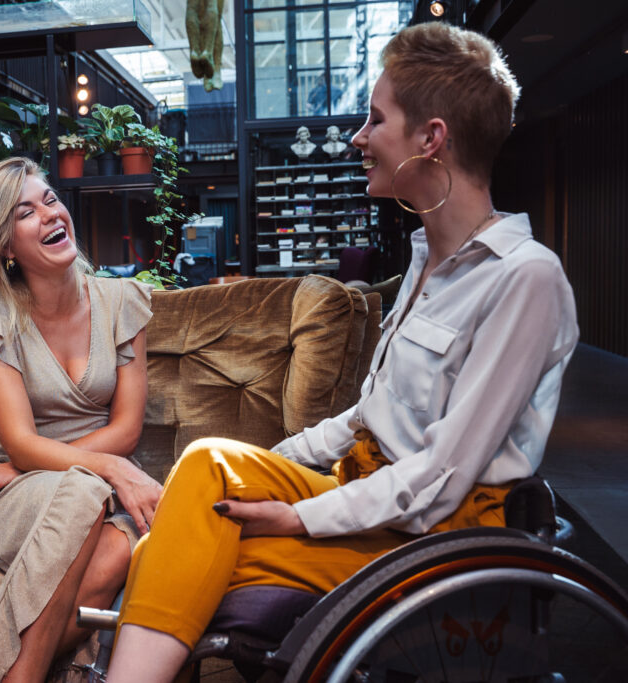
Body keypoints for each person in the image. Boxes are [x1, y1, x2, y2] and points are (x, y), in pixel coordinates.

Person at [105, 22, 579, 682]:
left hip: (434, 541)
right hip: (368, 493)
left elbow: (441, 475)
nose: (358, 136)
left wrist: (298, 516)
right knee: (207, 462)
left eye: (375, 119)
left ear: (431, 138)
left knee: (181, 551)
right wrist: (263, 473)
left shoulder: (525, 278)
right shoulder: (426, 262)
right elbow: (365, 418)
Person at [0, 157, 162, 683]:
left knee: (116, 552)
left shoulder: (124, 302)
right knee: (81, 492)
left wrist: (78, 467)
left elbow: (127, 430)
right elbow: (20, 441)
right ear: (6, 246)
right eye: (24, 212)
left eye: (50, 200)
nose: (50, 215)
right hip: (27, 496)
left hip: (98, 490)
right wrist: (99, 469)